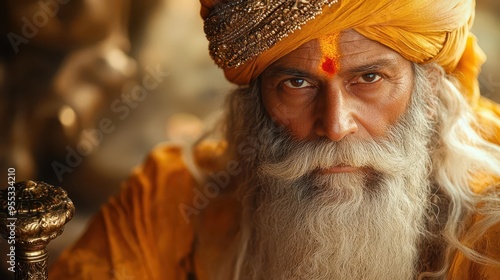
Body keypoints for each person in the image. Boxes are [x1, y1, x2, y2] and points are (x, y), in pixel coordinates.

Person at [50, 0, 500, 279]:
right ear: (253, 104)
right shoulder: (173, 198)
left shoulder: (489, 231)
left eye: (369, 78)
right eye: (297, 85)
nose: (335, 124)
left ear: (429, 93)